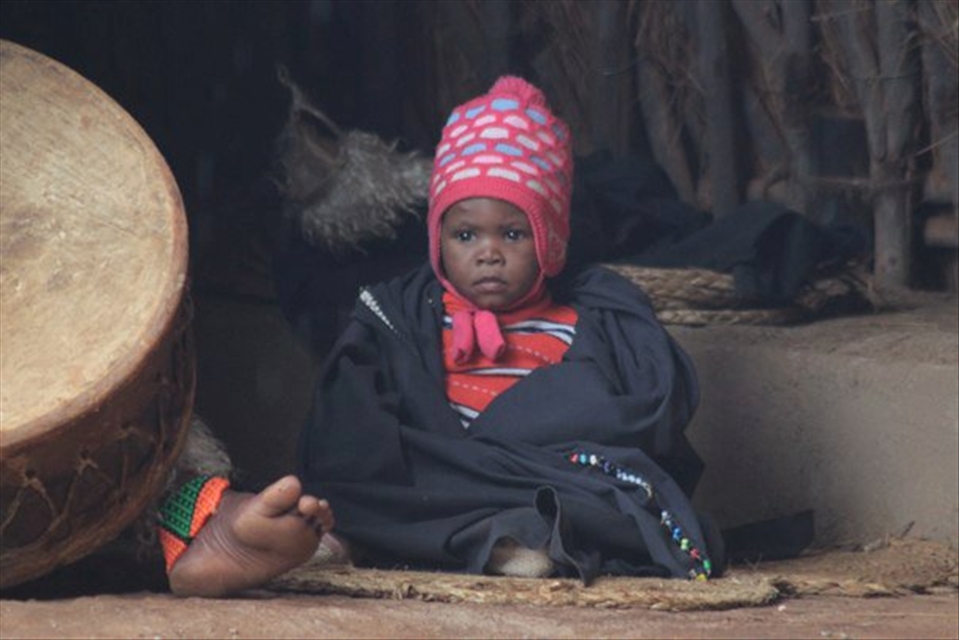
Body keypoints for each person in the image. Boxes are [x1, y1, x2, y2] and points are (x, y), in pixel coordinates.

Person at [159, 75, 722, 596]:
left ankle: (497, 540)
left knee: (605, 494)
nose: (488, 252)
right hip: (426, 478)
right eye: (466, 233)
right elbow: (357, 424)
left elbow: (630, 417)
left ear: (551, 237)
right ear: (437, 237)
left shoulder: (590, 319)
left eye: (513, 232)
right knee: (359, 481)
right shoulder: (404, 315)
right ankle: (338, 542)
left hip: (536, 478)